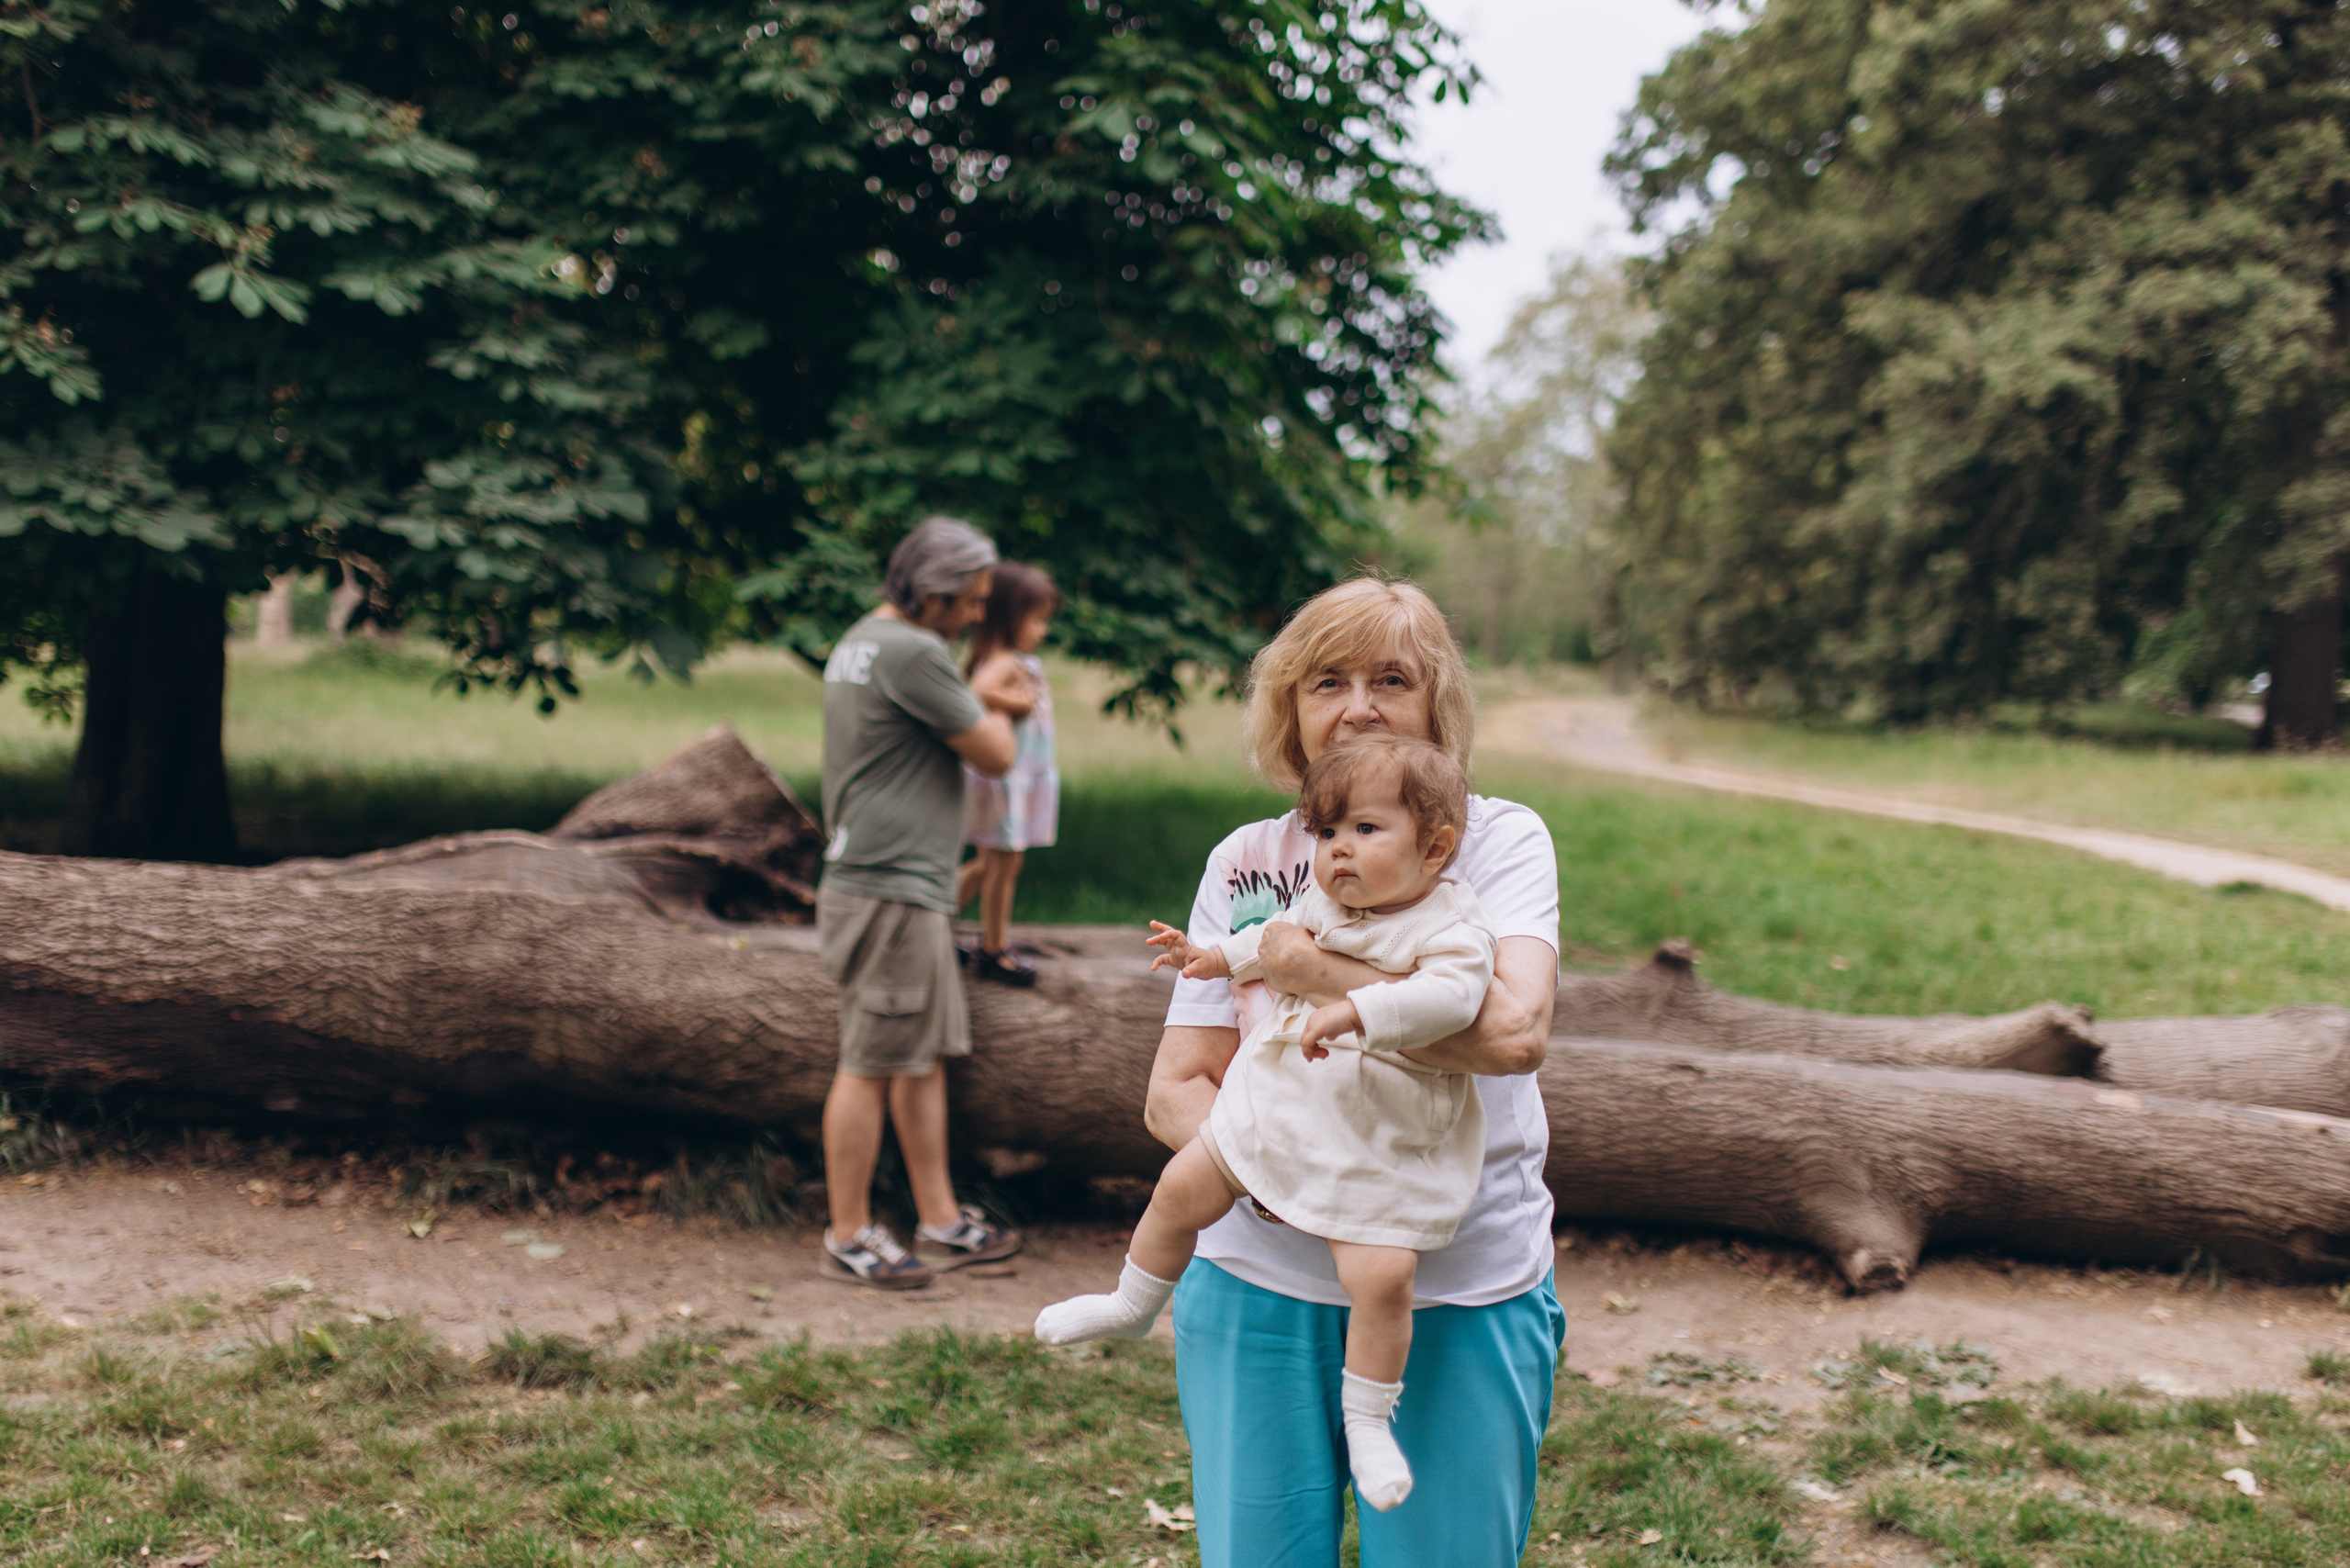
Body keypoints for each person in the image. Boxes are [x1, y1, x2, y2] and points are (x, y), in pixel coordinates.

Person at [1147, 577, 1564, 1567]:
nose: (1360, 705)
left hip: (1454, 1283)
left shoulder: (1490, 838)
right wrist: (1282, 1180)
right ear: (1291, 709)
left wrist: (1306, 968)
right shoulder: (1246, 860)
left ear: (1437, 707)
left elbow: (1511, 1032)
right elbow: (1175, 1084)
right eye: (1326, 680)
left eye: (1391, 678)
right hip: (1257, 1276)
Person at [1035, 734, 1494, 1515]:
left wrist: (1356, 1006)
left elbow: (1451, 1001)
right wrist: (1213, 958)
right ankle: (1133, 1301)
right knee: (1183, 1184)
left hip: (1374, 1146)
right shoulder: (1327, 901)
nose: (1338, 852)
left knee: (1382, 1277)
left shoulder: (1451, 929)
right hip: (1274, 1110)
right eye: (1326, 834)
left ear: (1437, 848)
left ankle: (1369, 1420)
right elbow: (1272, 940)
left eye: (1365, 831)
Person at [815, 515, 1026, 1290]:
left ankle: (938, 1218)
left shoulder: (862, 640)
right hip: (888, 886)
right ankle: (847, 1232)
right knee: (870, 1063)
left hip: (898, 884)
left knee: (919, 1057)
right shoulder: (913, 650)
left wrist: (973, 694)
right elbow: (996, 754)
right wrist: (1003, 696)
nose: (977, 615)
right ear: (932, 594)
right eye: (969, 601)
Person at [952, 561, 1063, 986]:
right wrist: (1017, 703)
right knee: (1000, 864)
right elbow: (976, 691)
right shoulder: (1003, 660)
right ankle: (993, 949)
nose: (1042, 630)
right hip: (1004, 779)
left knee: (993, 864)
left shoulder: (1020, 660)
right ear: (1009, 617)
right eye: (1037, 620)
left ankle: (941, 922)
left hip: (1019, 777)